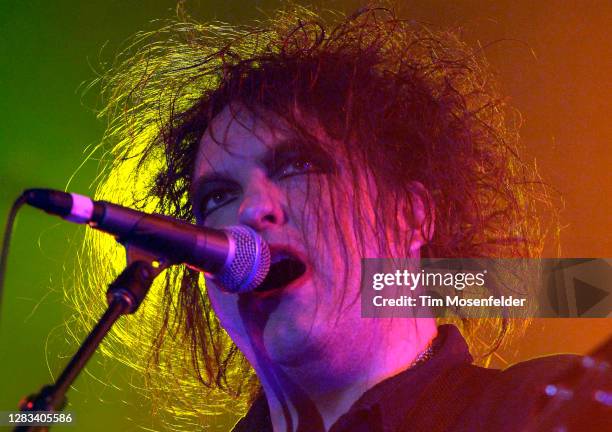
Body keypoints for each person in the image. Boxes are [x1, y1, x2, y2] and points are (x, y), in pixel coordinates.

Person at [79, 4, 605, 431]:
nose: (249, 210)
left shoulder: (544, 407)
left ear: (410, 213)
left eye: (298, 165)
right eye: (217, 195)